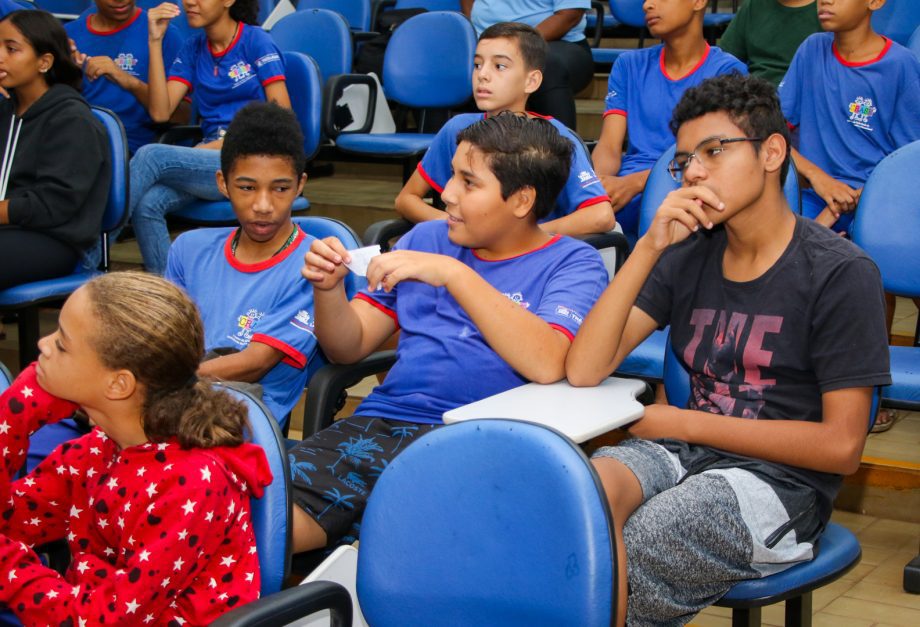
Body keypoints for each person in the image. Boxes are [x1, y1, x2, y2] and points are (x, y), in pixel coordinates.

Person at [566, 73, 890, 626]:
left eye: (713, 151)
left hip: (784, 485)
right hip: (689, 454)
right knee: (575, 499)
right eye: (685, 159)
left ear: (771, 152)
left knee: (649, 535)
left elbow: (842, 448)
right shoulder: (687, 255)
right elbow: (584, 368)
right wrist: (646, 247)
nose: (693, 171)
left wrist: (685, 424)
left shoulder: (839, 273)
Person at [290, 113, 608, 552]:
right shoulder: (425, 238)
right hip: (382, 426)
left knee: (399, 542)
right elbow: (349, 346)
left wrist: (455, 274)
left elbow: (548, 359)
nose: (447, 193)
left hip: (486, 449)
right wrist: (328, 292)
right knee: (254, 510)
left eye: (468, 182)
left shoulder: (574, 264)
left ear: (521, 200)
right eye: (452, 175)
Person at [0, 272, 272, 625]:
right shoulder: (96, 450)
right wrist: (15, 414)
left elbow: (105, 620)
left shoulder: (191, 483)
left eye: (62, 345)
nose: (42, 344)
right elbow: (13, 523)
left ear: (118, 384)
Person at [166, 102, 318, 426]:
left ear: (300, 185)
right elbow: (165, 336)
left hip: (243, 420)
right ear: (223, 183)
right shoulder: (188, 249)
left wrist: (162, 383)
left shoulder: (312, 265)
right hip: (174, 400)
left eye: (280, 188)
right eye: (247, 188)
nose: (263, 205)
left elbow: (256, 362)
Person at [395, 21, 615, 237]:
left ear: (532, 81)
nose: (483, 75)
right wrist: (458, 225)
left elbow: (600, 215)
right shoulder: (457, 128)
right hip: (468, 255)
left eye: (499, 66)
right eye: (478, 64)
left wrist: (519, 237)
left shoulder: (555, 136)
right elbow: (406, 199)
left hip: (530, 262)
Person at [130, 0, 289, 274]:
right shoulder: (193, 47)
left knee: (150, 155)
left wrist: (217, 146)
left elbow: (281, 120)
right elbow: (160, 111)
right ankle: (169, 299)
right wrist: (155, 41)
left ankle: (92, 239)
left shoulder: (256, 41)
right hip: (212, 160)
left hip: (253, 159)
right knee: (147, 205)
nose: (190, 1)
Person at [592, 0, 746, 244]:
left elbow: (712, 157)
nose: (647, 5)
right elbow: (609, 144)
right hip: (626, 186)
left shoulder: (726, 70)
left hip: (688, 181)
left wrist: (637, 183)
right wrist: (598, 187)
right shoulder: (628, 65)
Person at [779, 0, 920, 232]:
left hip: (875, 201)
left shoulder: (901, 66)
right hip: (814, 197)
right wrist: (818, 178)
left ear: (874, 2)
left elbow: (909, 162)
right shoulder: (811, 50)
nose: (825, 1)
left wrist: (842, 206)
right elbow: (773, 132)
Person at [0, 9, 110, 289]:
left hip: (53, 240)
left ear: (44, 62)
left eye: (11, 49)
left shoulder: (71, 119)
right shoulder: (5, 110)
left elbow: (53, 205)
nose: (0, 56)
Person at [66, 0, 185, 154]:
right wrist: (66, 73)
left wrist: (128, 81)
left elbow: (182, 115)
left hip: (134, 149)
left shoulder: (162, 32)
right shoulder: (68, 36)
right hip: (77, 139)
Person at [462, 0, 594, 131]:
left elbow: (570, 14)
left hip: (557, 41)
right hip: (485, 40)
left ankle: (559, 143)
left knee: (544, 65)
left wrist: (517, 44)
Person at [718, 0, 821, 87]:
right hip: (757, 98)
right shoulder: (753, 5)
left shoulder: (827, 11)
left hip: (808, 98)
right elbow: (722, 62)